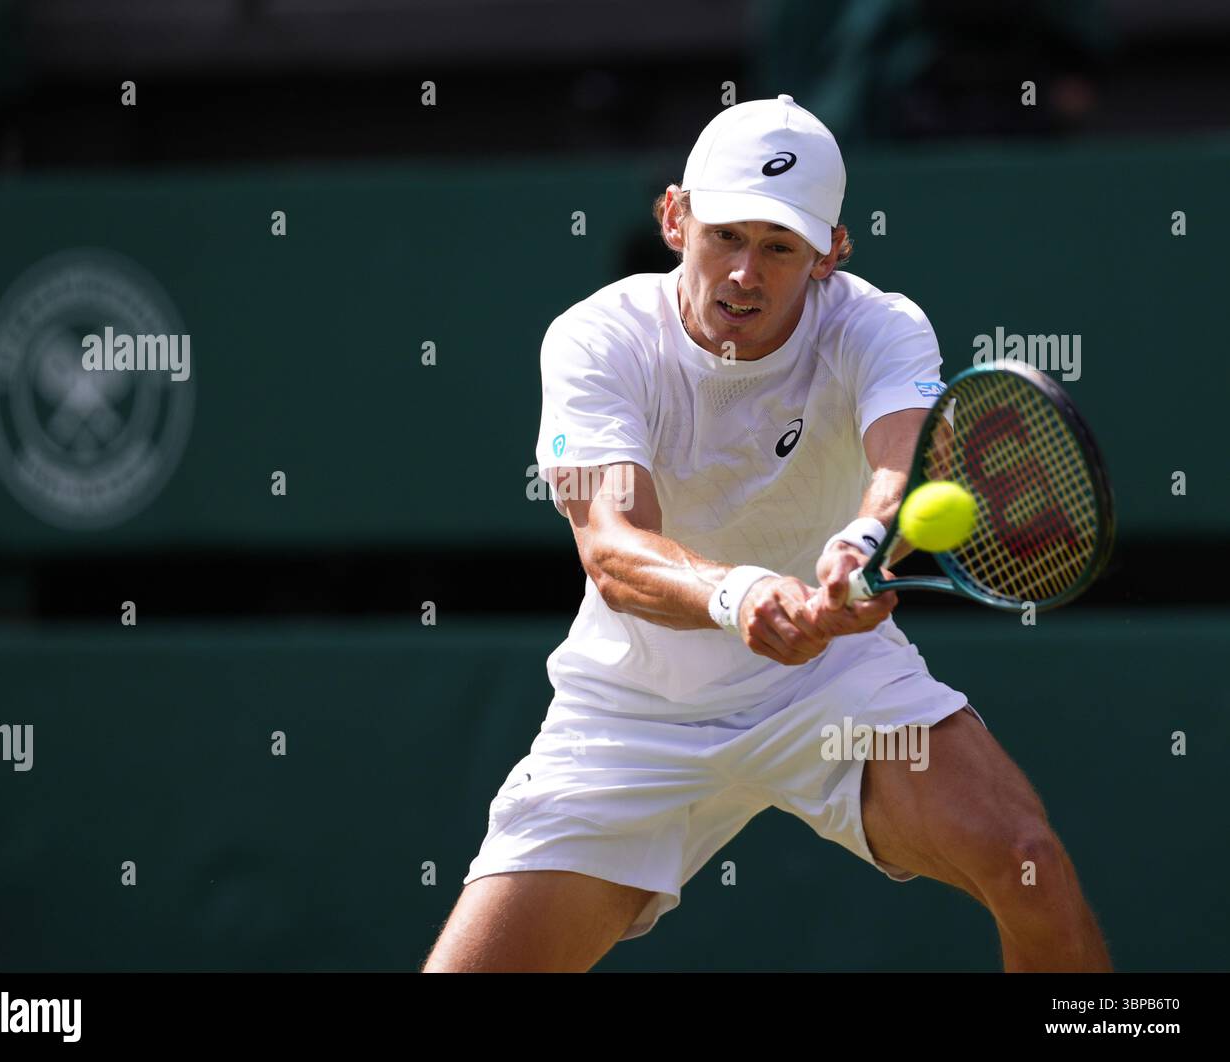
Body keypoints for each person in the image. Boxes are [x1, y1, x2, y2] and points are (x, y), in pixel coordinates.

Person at [423, 95, 1110, 973]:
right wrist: (739, 592)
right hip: (635, 712)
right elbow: (612, 550)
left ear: (831, 253)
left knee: (1029, 867)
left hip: (834, 688)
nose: (746, 272)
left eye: (780, 246)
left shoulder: (878, 325)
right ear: (676, 218)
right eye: (726, 236)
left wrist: (862, 541)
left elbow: (901, 468)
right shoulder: (594, 341)